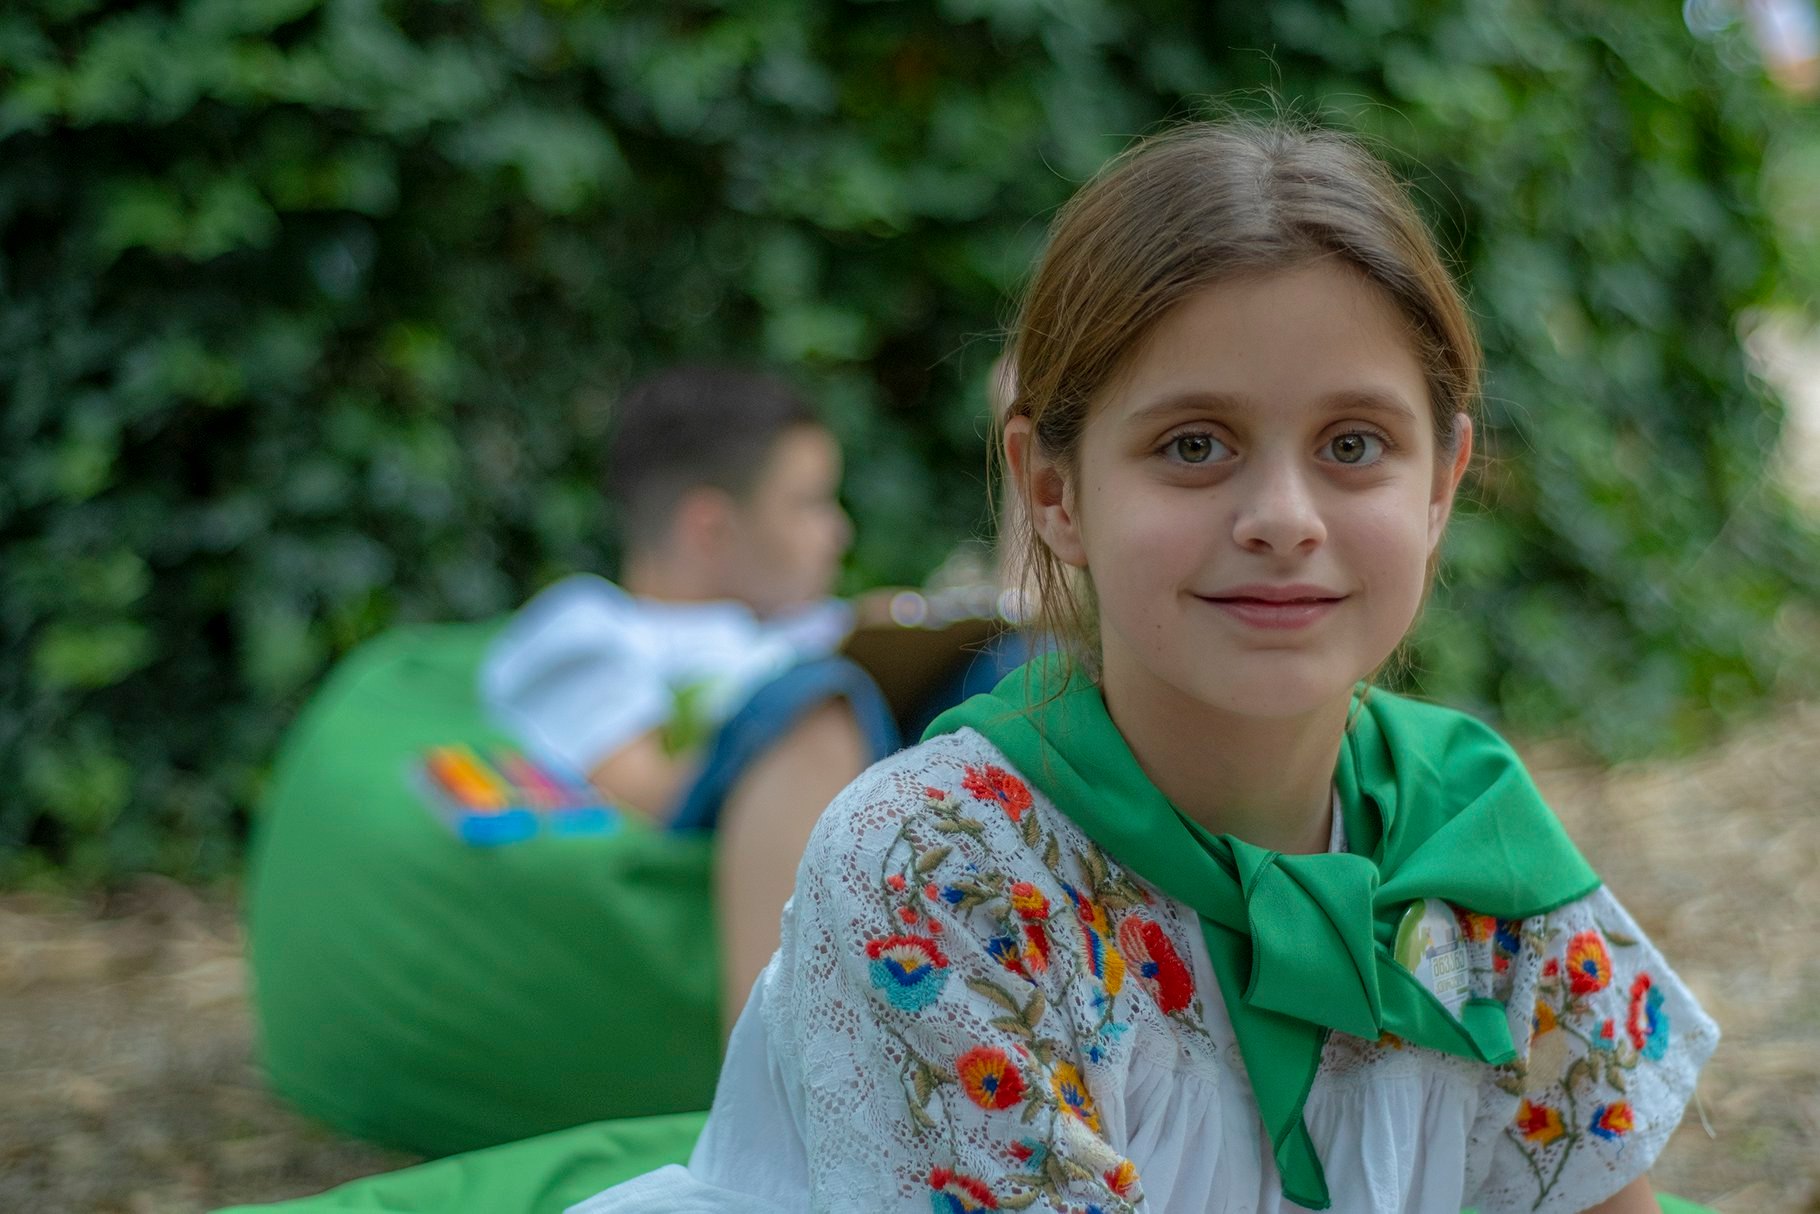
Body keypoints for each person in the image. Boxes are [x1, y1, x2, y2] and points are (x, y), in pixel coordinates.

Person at [570, 119, 1718, 1213]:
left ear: (1439, 483)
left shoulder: (1475, 840)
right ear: (1053, 490)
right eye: (1193, 444)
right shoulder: (938, 867)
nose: (1282, 517)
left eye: (1352, 444)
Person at [483, 366, 899, 1028]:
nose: (839, 531)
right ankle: (783, 1064)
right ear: (711, 528)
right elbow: (643, 792)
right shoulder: (594, 627)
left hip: (882, 810)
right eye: (810, 504)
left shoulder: (801, 623)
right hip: (763, 809)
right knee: (812, 708)